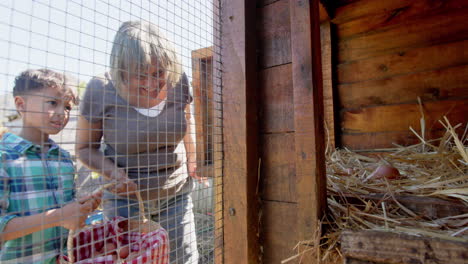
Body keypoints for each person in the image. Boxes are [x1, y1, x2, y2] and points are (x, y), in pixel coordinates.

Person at [76, 21, 206, 264]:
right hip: (125, 202)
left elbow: (186, 120)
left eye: (159, 73)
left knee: (184, 259)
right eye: (139, 76)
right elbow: (84, 148)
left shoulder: (178, 81)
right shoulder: (100, 89)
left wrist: (192, 159)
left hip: (175, 194)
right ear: (120, 70)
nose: (152, 83)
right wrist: (113, 173)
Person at [0, 69, 102, 264]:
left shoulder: (63, 160)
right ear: (21, 104)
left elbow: (65, 220)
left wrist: (80, 209)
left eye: (67, 107)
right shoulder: (4, 157)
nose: (61, 114)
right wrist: (58, 217)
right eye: (53, 103)